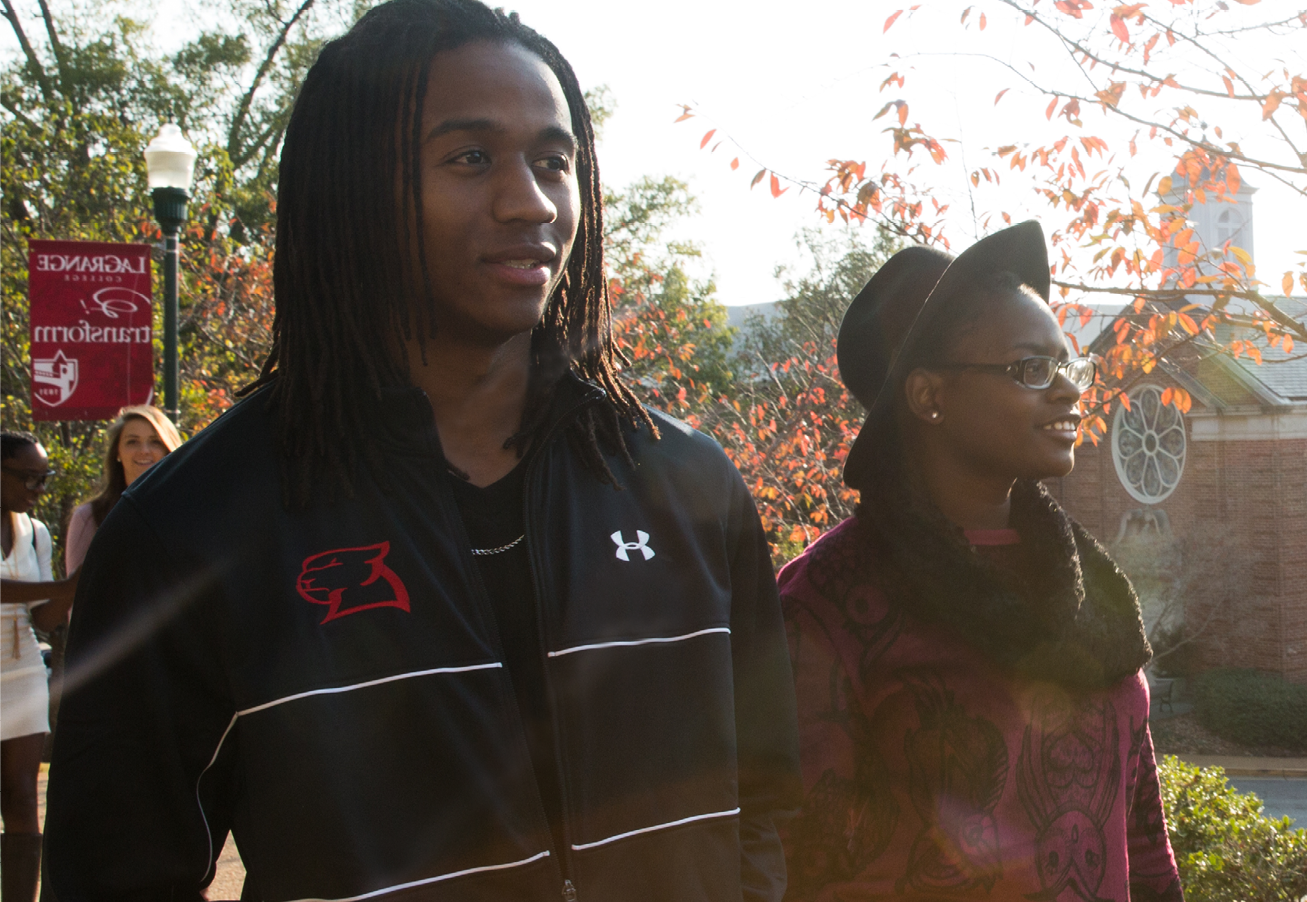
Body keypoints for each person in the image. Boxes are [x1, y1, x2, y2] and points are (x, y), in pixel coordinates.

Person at [44, 2, 799, 899]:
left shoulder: (688, 485)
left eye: (554, 162)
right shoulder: (189, 532)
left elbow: (766, 798)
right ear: (351, 187)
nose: (530, 201)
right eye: (470, 157)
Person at [776, 221, 1181, 900]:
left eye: (1068, 366)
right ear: (930, 396)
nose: (1069, 391)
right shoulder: (823, 603)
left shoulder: (1093, 589)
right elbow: (806, 864)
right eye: (1031, 369)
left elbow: (1141, 843)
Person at [0, 432, 73, 902]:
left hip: (22, 670)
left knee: (24, 798)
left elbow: (44, 616)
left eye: (43, 479)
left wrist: (70, 593)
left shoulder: (36, 532)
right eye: (28, 478)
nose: (37, 489)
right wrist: (68, 584)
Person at [62, 405, 183, 575]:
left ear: (169, 450)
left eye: (155, 442)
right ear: (117, 452)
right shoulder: (89, 517)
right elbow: (77, 594)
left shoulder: (190, 511)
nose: (144, 451)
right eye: (132, 442)